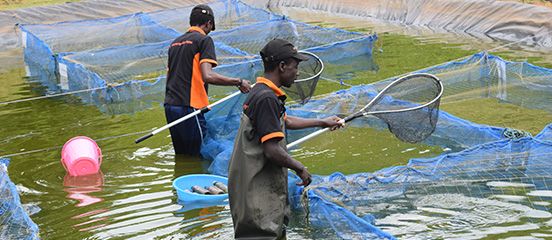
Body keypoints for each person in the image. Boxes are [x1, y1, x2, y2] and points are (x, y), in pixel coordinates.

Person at [228, 39, 343, 239]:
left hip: (249, 188)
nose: (297, 72)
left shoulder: (260, 92)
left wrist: (322, 122)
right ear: (282, 66)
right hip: (257, 195)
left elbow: (284, 121)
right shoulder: (266, 99)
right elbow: (271, 150)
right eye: (295, 67)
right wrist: (300, 168)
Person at [164, 4, 252, 155]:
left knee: (182, 156)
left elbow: (169, 76)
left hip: (170, 106)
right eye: (211, 27)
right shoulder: (204, 40)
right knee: (198, 154)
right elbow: (208, 75)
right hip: (190, 107)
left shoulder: (174, 44)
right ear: (209, 23)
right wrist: (238, 82)